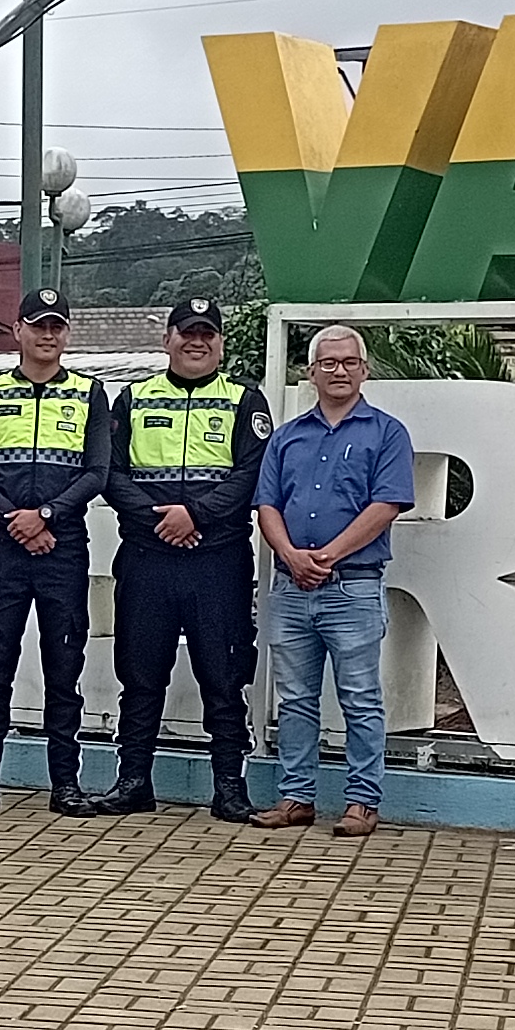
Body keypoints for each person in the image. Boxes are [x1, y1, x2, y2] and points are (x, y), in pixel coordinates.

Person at [101, 295, 271, 822]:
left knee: (224, 675)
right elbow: (110, 473)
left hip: (217, 561)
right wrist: (162, 521)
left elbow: (251, 474)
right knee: (140, 672)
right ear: (167, 339)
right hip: (147, 558)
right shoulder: (133, 398)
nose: (196, 342)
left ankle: (229, 789)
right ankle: (133, 782)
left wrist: (194, 515)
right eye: (187, 332)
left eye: (207, 334)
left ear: (220, 344)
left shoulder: (245, 400)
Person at [251, 325, 417, 840]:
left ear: (364, 370)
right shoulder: (286, 437)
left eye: (348, 362)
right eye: (328, 363)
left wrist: (326, 556)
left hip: (353, 588)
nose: (338, 370)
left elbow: (386, 505)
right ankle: (296, 798)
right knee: (295, 699)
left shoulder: (387, 433)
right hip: (290, 588)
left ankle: (363, 802)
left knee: (360, 698)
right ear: (311, 373)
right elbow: (267, 505)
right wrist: (289, 554)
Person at [0, 285, 109, 817]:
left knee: (63, 667)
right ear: (18, 330)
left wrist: (45, 516)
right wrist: (17, 521)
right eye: (38, 325)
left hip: (62, 548)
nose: (48, 335)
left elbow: (97, 472)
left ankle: (65, 785)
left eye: (56, 326)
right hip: (3, 548)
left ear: (66, 334)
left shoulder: (90, 393)